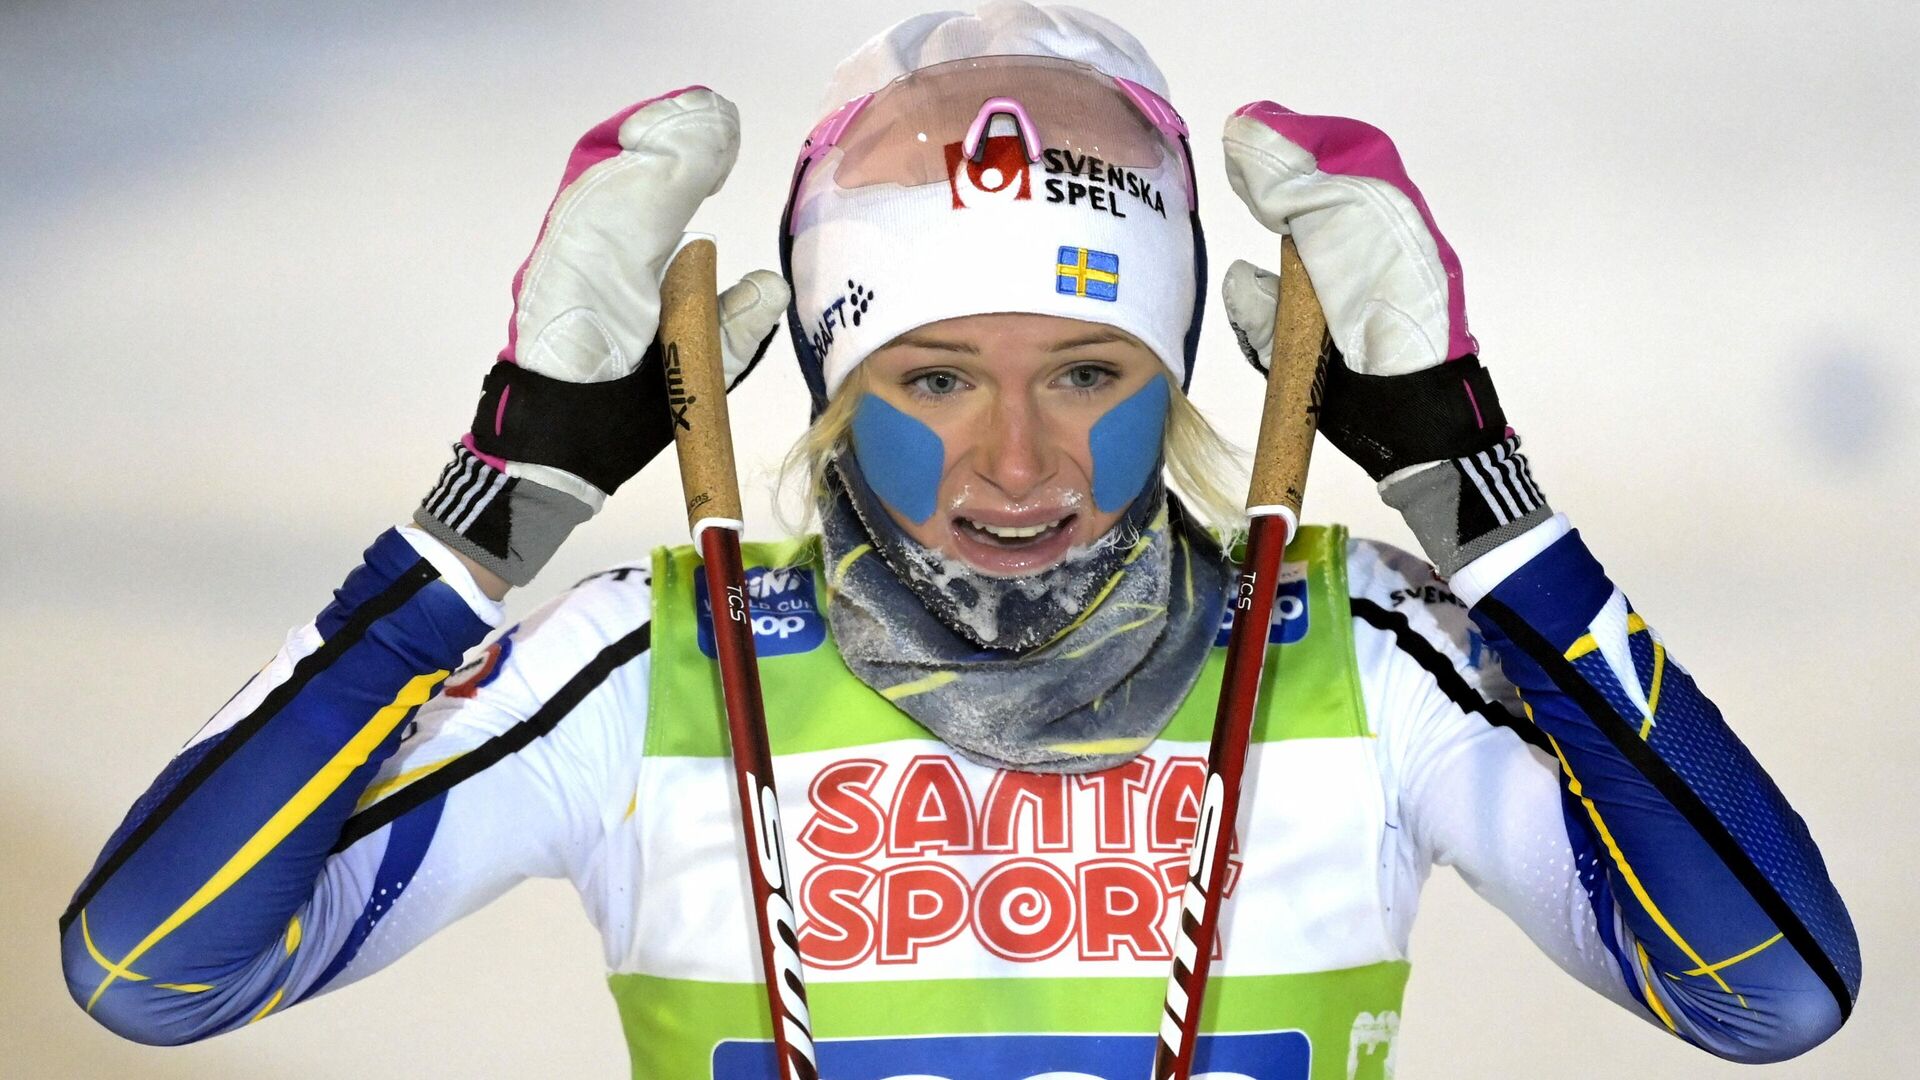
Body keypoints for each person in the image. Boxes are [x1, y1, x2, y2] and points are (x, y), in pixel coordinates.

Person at [60, 3, 1858, 1077]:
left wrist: (1486, 511)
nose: (1017, 465)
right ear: (833, 388)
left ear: (1183, 368)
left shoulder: (1356, 654)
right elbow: (151, 969)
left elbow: (1771, 993)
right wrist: (492, 513)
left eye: (1091, 370)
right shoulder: (650, 667)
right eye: (931, 378)